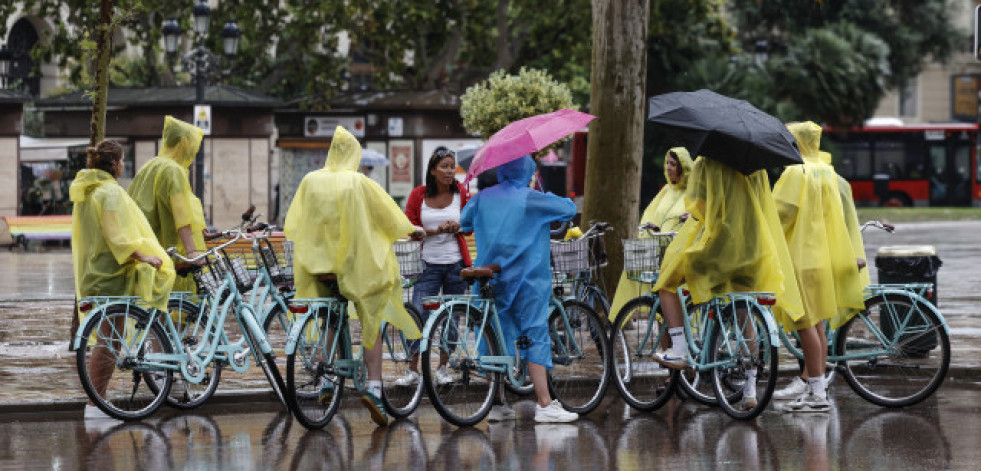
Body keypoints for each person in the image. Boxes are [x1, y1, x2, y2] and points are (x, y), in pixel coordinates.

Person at [284, 125, 421, 427]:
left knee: (332, 318)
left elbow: (294, 221)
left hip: (318, 266)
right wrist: (414, 231)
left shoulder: (310, 180)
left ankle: (328, 381)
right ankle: (374, 387)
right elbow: (389, 216)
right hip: (352, 266)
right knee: (372, 315)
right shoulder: (359, 182)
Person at [650, 155, 804, 409]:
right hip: (753, 248)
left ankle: (679, 348)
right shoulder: (756, 166)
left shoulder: (705, 163)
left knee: (667, 283)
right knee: (744, 312)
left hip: (720, 246)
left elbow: (699, 205)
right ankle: (750, 390)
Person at [460, 154, 580, 423]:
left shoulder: (482, 198)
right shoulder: (530, 198)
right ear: (527, 170)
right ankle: (545, 404)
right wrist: (538, 186)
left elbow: (464, 223)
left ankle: (498, 403)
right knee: (534, 332)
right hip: (527, 279)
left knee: (494, 336)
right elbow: (569, 209)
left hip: (491, 278)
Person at [70, 140, 176, 420]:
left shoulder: (88, 191)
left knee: (107, 339)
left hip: (96, 270)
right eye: (122, 161)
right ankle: (95, 405)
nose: (122, 166)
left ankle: (95, 403)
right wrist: (143, 256)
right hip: (113, 273)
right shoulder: (109, 193)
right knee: (108, 340)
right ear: (115, 164)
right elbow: (117, 235)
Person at [770, 121, 869, 411]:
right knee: (818, 325)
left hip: (801, 258)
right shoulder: (827, 171)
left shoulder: (794, 172)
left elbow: (780, 213)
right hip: (823, 258)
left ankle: (817, 393)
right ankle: (817, 386)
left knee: (803, 324)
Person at [394, 148, 472, 387]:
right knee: (418, 314)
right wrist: (434, 231)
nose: (450, 171)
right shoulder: (418, 194)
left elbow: (469, 226)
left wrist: (456, 226)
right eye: (445, 166)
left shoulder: (461, 193)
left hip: (455, 264)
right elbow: (409, 227)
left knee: (452, 318)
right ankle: (412, 369)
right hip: (427, 265)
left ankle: (442, 368)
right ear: (432, 170)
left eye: (452, 166)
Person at [608, 147, 693, 321]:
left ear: (683, 168)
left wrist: (691, 217)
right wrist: (652, 227)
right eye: (667, 163)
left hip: (681, 258)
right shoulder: (665, 191)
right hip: (661, 255)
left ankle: (680, 342)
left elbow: (699, 219)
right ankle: (668, 346)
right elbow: (652, 214)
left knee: (675, 302)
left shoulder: (693, 193)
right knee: (662, 307)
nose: (668, 167)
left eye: (674, 164)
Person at [127, 116, 208, 293]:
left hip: (148, 249)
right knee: (178, 307)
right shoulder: (174, 171)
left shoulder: (149, 166)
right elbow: (181, 214)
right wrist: (191, 251)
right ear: (183, 144)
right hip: (170, 254)